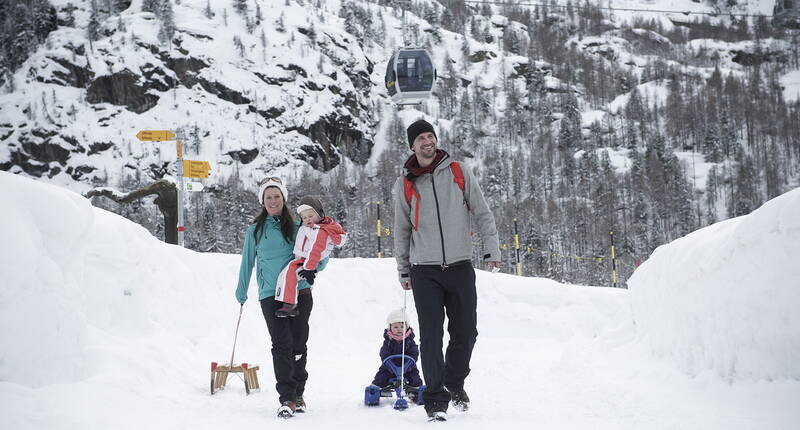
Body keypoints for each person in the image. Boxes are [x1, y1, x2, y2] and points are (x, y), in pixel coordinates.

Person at [392, 119, 501, 421]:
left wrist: (492, 248)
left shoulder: (458, 171)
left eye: (431, 136)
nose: (427, 142)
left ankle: (454, 382)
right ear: (412, 146)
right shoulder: (405, 184)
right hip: (424, 270)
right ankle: (436, 400)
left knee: (466, 333)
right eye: (421, 139)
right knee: (429, 337)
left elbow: (481, 210)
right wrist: (403, 269)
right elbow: (401, 229)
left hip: (460, 265)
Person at [235, 177, 329, 419]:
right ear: (262, 201)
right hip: (270, 294)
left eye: (277, 196)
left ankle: (299, 393)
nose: (273, 200)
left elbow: (320, 251)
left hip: (300, 291)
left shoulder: (299, 227)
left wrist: (316, 265)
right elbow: (247, 263)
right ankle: (287, 397)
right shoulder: (255, 230)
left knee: (298, 344)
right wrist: (241, 290)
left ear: (284, 199)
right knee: (281, 345)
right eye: (268, 197)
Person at [274, 196, 346, 317]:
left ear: (320, 215)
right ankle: (289, 303)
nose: (307, 219)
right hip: (306, 260)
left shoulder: (320, 231)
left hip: (308, 261)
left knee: (288, 273)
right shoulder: (312, 228)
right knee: (288, 273)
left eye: (310, 216)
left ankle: (289, 304)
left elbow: (315, 250)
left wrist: (309, 268)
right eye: (304, 217)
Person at [368, 309, 424, 403]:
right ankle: (374, 391)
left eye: (402, 326)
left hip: (407, 368)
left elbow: (414, 352)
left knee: (415, 377)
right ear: (390, 327)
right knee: (381, 376)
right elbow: (384, 352)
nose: (399, 329)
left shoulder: (409, 341)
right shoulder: (388, 341)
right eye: (396, 327)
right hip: (390, 367)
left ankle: (416, 393)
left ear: (407, 327)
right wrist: (387, 360)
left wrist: (410, 361)